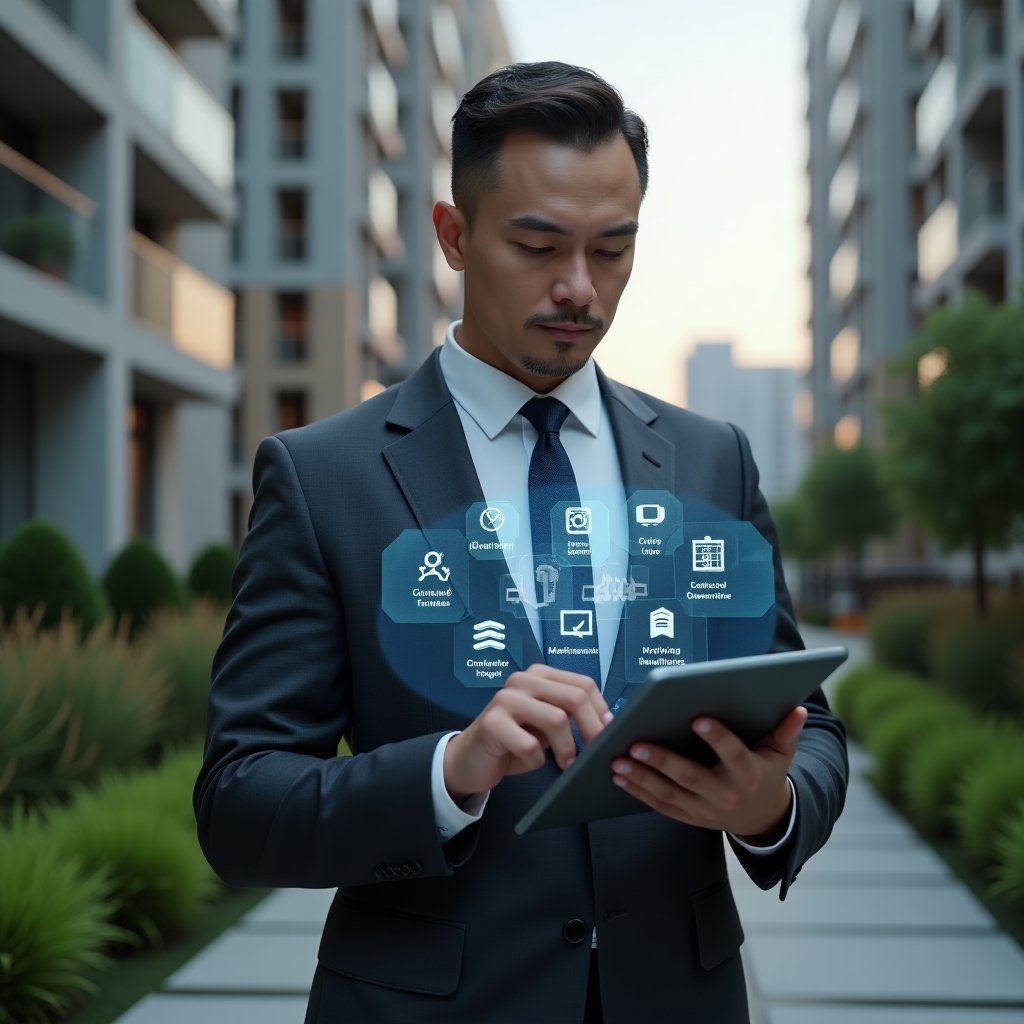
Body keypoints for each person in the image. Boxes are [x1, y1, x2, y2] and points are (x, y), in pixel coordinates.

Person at [195, 61, 848, 1024]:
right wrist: (447, 773)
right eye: (538, 245)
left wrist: (768, 808)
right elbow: (240, 803)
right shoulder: (322, 477)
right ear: (454, 237)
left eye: (613, 249)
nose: (580, 288)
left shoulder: (714, 460)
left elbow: (810, 728)